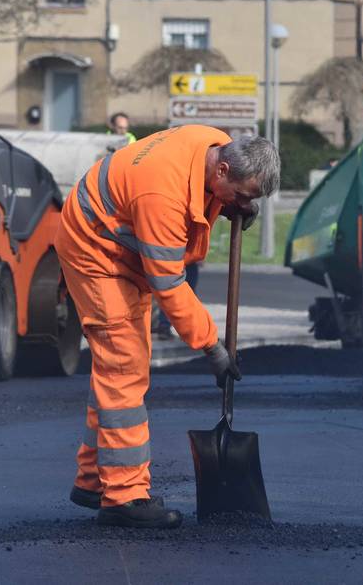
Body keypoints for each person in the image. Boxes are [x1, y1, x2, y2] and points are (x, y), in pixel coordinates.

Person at [57, 126, 278, 529]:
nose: (244, 204)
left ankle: (92, 480)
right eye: (243, 195)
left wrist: (229, 203)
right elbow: (170, 285)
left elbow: (202, 198)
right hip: (96, 251)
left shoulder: (214, 144)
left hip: (126, 248)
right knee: (124, 368)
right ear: (223, 168)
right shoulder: (161, 194)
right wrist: (213, 347)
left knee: (115, 371)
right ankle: (123, 497)